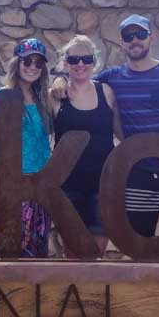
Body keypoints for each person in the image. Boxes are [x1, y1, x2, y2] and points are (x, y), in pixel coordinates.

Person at [51, 14, 159, 238]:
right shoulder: (112, 78)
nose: (135, 40)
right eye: (129, 35)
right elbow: (80, 77)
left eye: (140, 34)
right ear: (121, 42)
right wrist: (58, 80)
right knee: (138, 247)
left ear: (151, 38)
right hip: (138, 175)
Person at [0, 38, 54, 257]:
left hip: (39, 188)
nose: (32, 67)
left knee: (36, 255)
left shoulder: (44, 100)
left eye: (38, 63)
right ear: (17, 63)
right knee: (6, 250)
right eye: (27, 61)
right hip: (12, 187)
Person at [51, 35, 121, 254]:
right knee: (71, 252)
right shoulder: (55, 96)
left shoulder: (107, 92)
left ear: (94, 62)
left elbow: (122, 132)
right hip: (67, 186)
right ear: (65, 63)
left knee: (96, 251)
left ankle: (92, 291)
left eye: (86, 58)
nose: (80, 64)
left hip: (103, 183)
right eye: (74, 59)